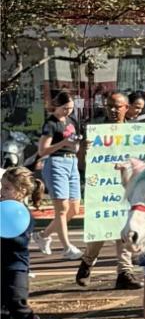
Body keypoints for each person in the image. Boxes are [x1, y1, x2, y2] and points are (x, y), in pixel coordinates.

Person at [76, 91, 144, 292]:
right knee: (100, 230)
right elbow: (82, 164)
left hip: (125, 188)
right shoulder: (96, 132)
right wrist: (84, 149)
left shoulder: (134, 133)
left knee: (124, 228)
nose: (114, 110)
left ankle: (125, 272)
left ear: (127, 108)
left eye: (118, 106)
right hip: (102, 187)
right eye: (110, 106)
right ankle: (87, 261)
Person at [35, 92, 84, 260]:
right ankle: (67, 247)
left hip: (72, 162)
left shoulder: (72, 121)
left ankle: (43, 235)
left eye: (70, 108)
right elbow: (42, 151)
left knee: (74, 208)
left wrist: (79, 143)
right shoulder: (51, 124)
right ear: (56, 106)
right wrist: (63, 143)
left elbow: (75, 141)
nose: (68, 112)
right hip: (56, 162)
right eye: (65, 108)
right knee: (62, 209)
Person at [2, 167, 42, 319]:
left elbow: (19, 240)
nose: (2, 192)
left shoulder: (23, 214)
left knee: (15, 301)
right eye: (2, 187)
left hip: (16, 265)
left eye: (7, 188)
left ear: (21, 191)